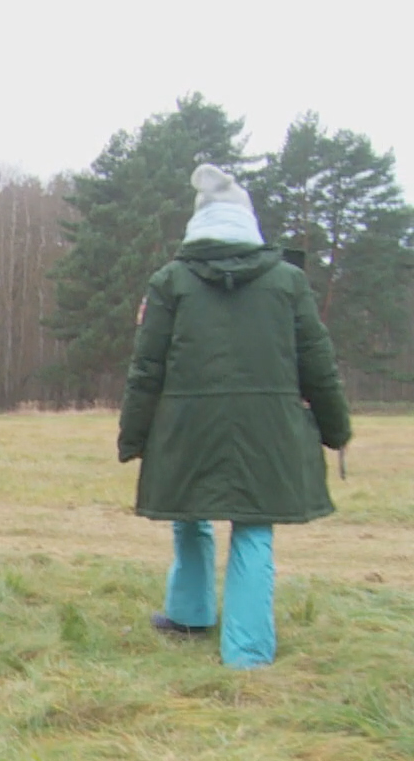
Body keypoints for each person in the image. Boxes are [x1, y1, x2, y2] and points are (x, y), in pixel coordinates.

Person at [118, 163, 350, 670]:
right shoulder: (289, 281)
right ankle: (246, 653)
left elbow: (146, 370)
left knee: (190, 511)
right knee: (254, 527)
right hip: (268, 432)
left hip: (187, 429)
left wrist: (133, 436)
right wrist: (336, 429)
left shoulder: (169, 282)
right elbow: (319, 363)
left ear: (197, 226)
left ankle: (189, 614)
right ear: (250, 224)